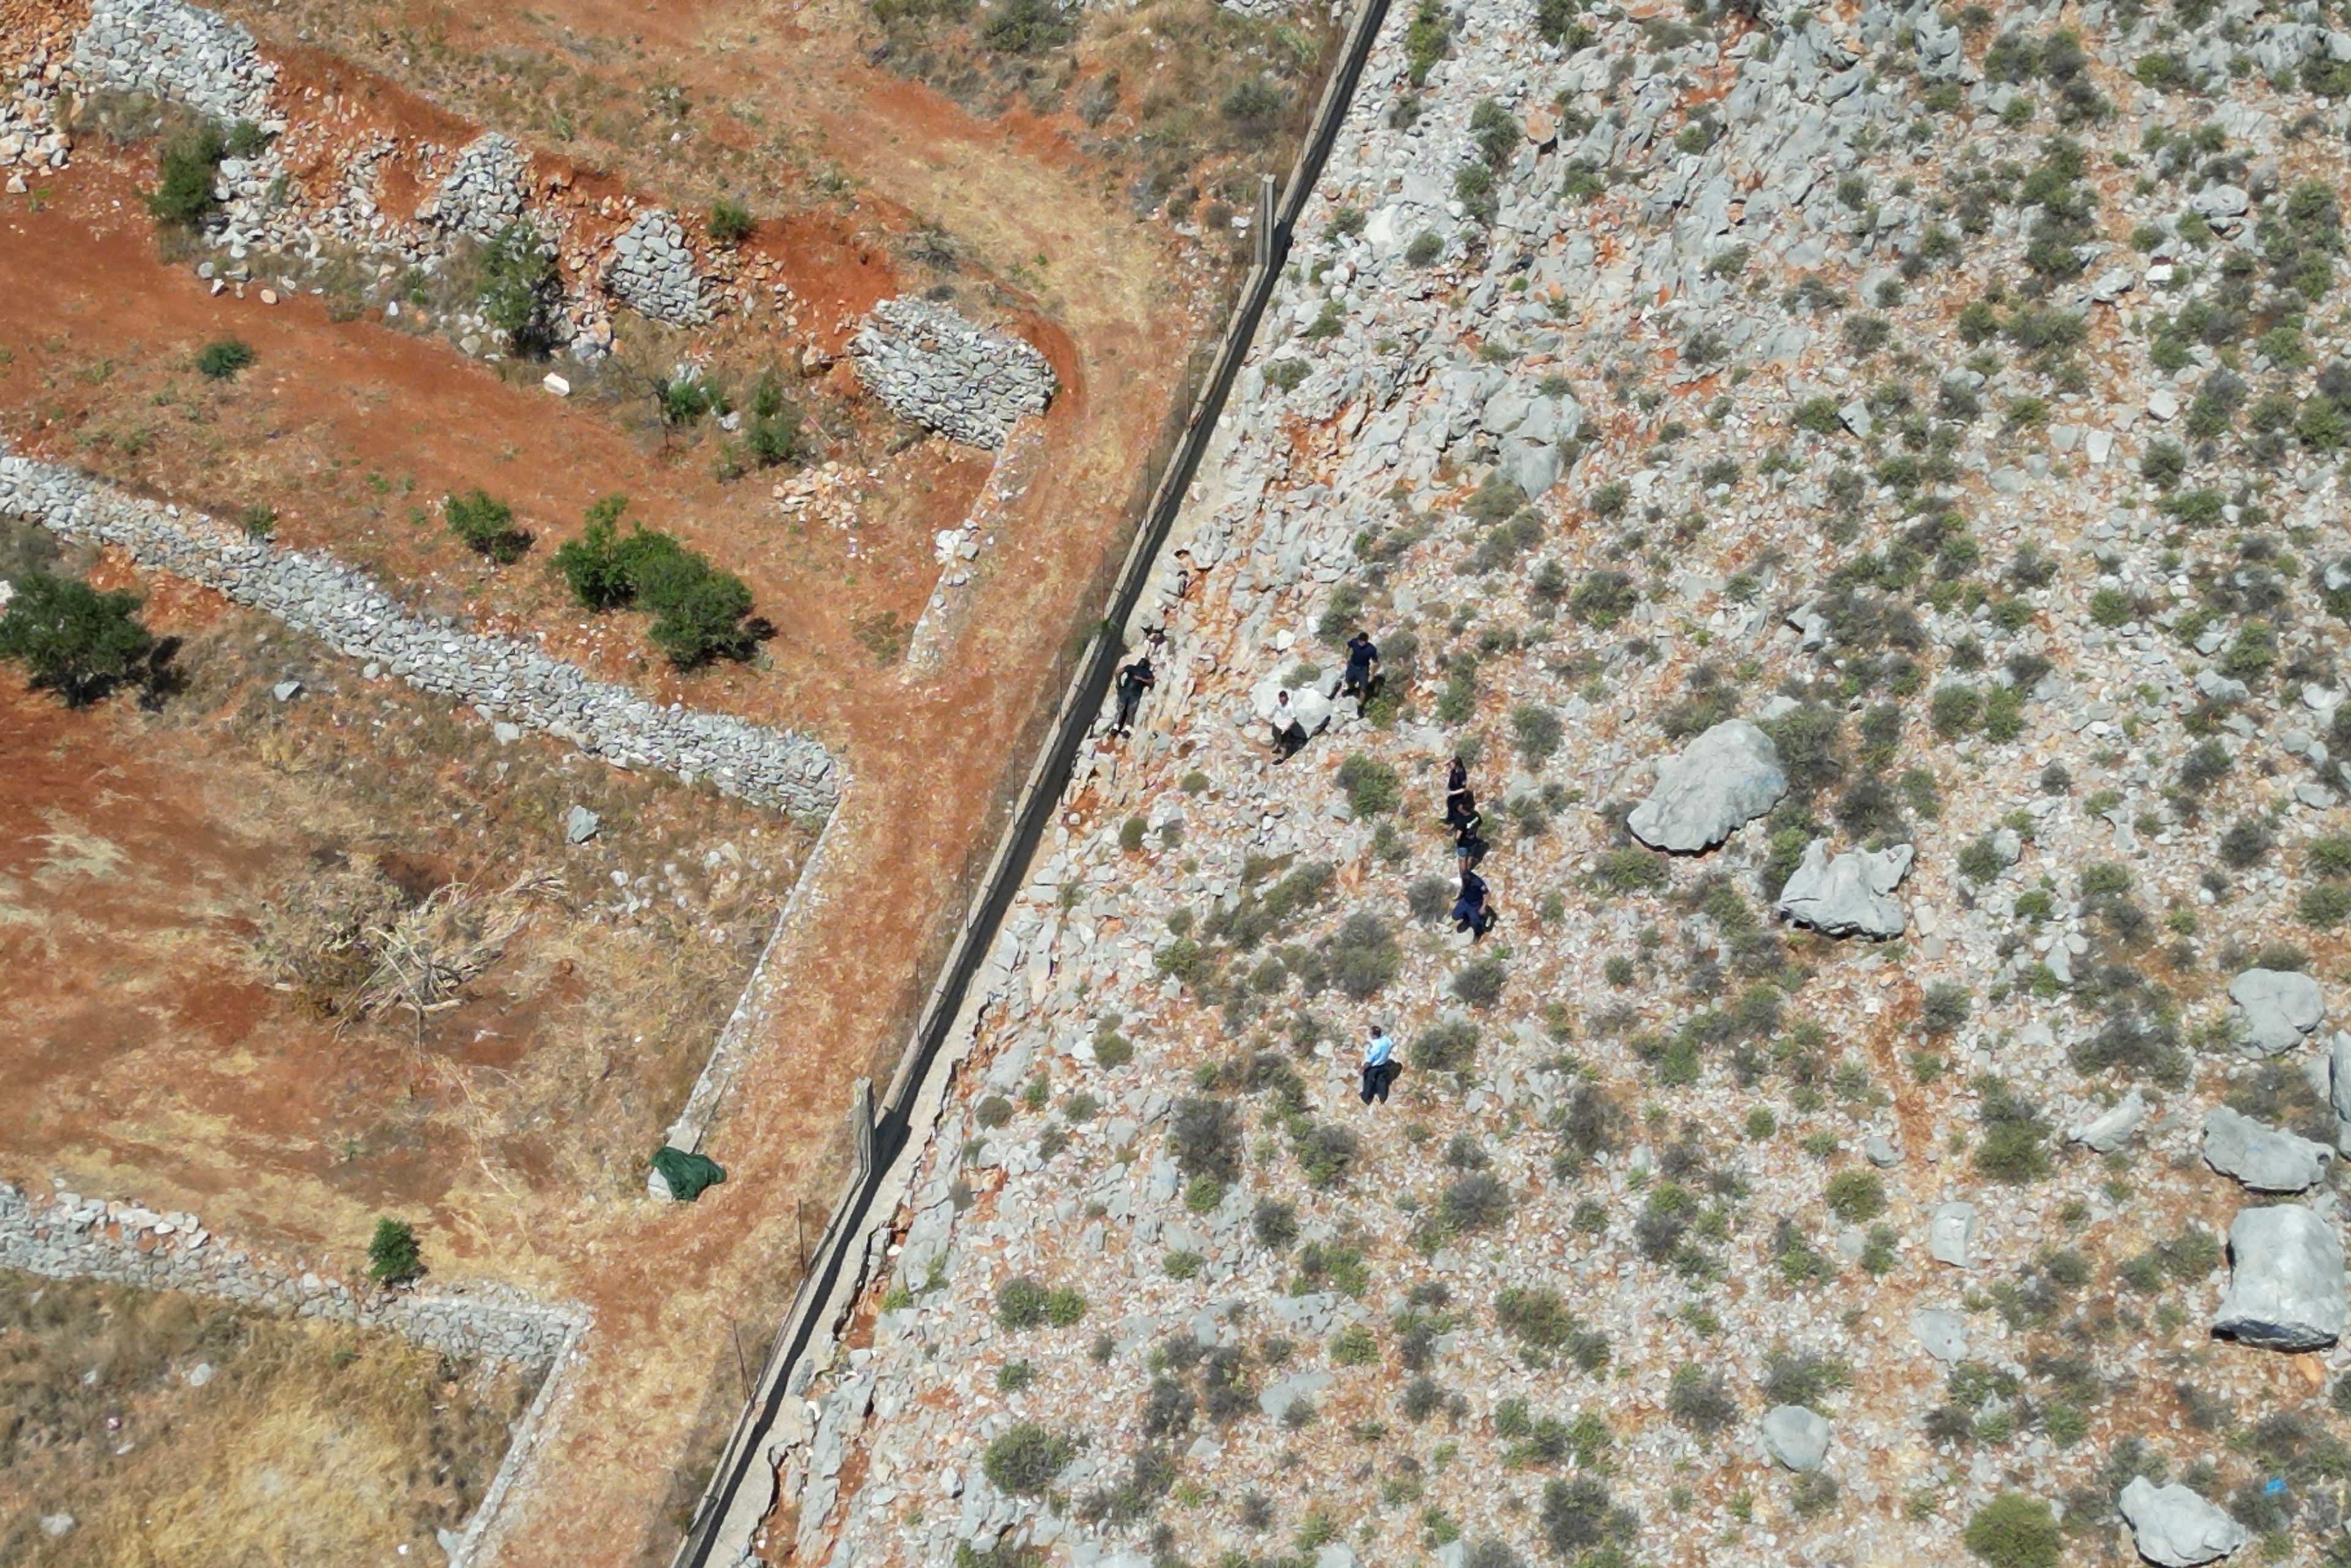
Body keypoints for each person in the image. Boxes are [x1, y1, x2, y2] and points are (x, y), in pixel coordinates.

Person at [1112, 651, 1157, 735]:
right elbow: (1151, 683)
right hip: (1133, 693)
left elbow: (1118, 672)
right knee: (1128, 710)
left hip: (1128, 692)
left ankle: (1118, 728)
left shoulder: (1132, 668)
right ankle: (1123, 728)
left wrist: (1119, 684)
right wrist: (1142, 680)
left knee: (1124, 710)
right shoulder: (1146, 672)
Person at [1360, 1026, 1399, 1104]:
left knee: (1368, 1081)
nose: (1369, 1035)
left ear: (1374, 1036)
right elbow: (1391, 1045)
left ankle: (1366, 1099)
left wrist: (1362, 1069)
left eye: (1370, 1033)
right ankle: (1383, 1098)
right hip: (1384, 1064)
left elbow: (1369, 1061)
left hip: (1374, 1067)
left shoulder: (1374, 1046)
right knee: (1382, 1081)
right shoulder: (1386, 1040)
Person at [1452, 868, 1493, 939]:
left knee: (1475, 924)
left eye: (1465, 883)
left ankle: (1478, 934)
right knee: (1455, 916)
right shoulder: (1464, 878)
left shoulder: (1478, 883)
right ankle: (1467, 919)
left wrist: (1483, 907)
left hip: (1475, 905)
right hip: (1465, 901)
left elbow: (1488, 894)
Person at [1341, 631, 1381, 702]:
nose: (1361, 644)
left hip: (1363, 669)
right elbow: (1347, 645)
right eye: (1360, 641)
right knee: (1348, 680)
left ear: (1366, 641)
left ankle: (1360, 705)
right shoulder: (1354, 642)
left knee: (1363, 688)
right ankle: (1351, 689)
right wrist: (1345, 657)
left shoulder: (1371, 649)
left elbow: (1375, 662)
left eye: (1363, 642)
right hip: (1352, 666)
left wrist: (1372, 674)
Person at [1270, 689, 1308, 761]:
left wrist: (1286, 727)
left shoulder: (1290, 706)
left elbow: (1294, 719)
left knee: (1283, 742)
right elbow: (1275, 710)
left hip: (1285, 726)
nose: (1282, 701)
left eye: (1284, 699)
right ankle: (1277, 749)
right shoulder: (1278, 704)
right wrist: (1271, 716)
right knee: (1276, 737)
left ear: (1287, 698)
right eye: (1281, 699)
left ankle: (1282, 758)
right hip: (1278, 723)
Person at [1454, 804, 1487, 872]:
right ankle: (1468, 873)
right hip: (1473, 841)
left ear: (1464, 810)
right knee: (1470, 858)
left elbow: (1458, 836)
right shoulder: (1476, 815)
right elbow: (1480, 825)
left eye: (1460, 807)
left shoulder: (1461, 820)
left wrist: (1456, 840)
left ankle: (1463, 877)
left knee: (1462, 860)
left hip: (1463, 844)